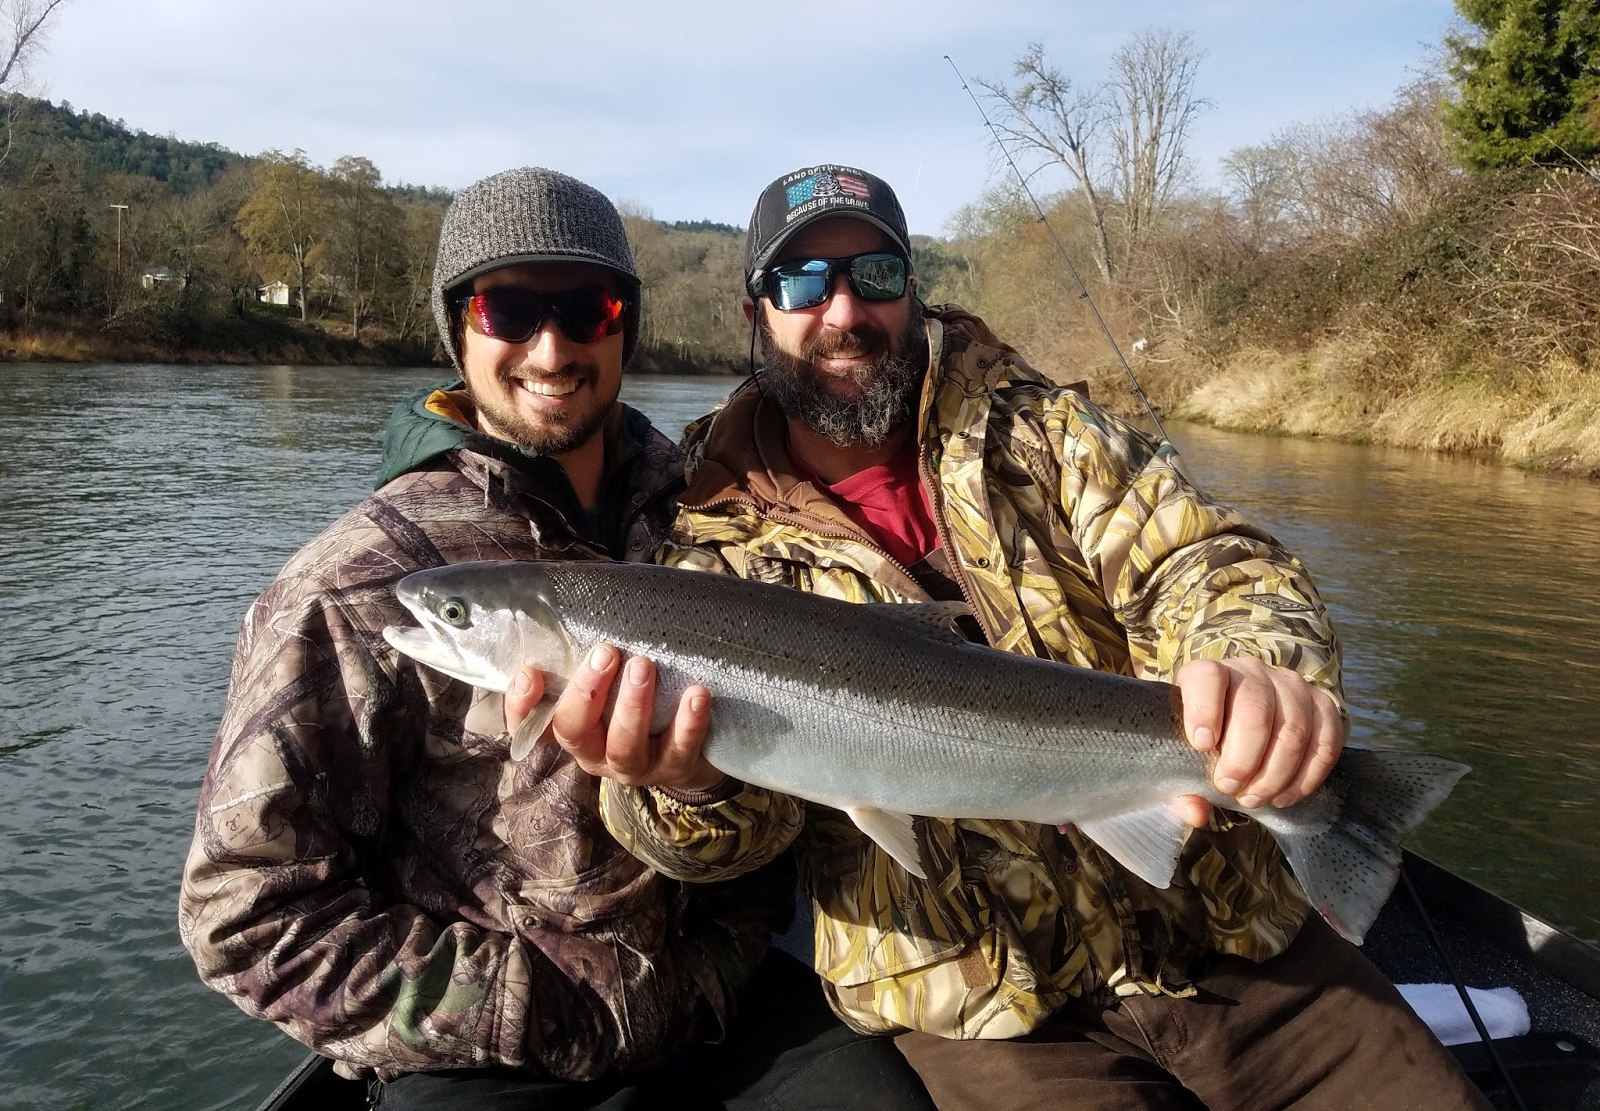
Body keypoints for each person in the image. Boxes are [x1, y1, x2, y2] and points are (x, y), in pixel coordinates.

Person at [509, 164, 1492, 1109]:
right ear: (754, 314)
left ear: (912, 292)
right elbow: (730, 850)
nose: (843, 311)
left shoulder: (1048, 434)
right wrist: (686, 789)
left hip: (1228, 935)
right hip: (977, 1004)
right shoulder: (699, 542)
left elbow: (1207, 561)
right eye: (802, 281)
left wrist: (1253, 663)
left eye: (875, 276)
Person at [178, 166, 936, 1110]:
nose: (552, 345)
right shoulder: (351, 582)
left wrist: (708, 807)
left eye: (588, 306)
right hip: (491, 1059)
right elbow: (244, 915)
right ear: (456, 328)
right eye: (508, 310)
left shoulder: (717, 513)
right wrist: (532, 1010)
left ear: (624, 325)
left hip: (734, 1007)